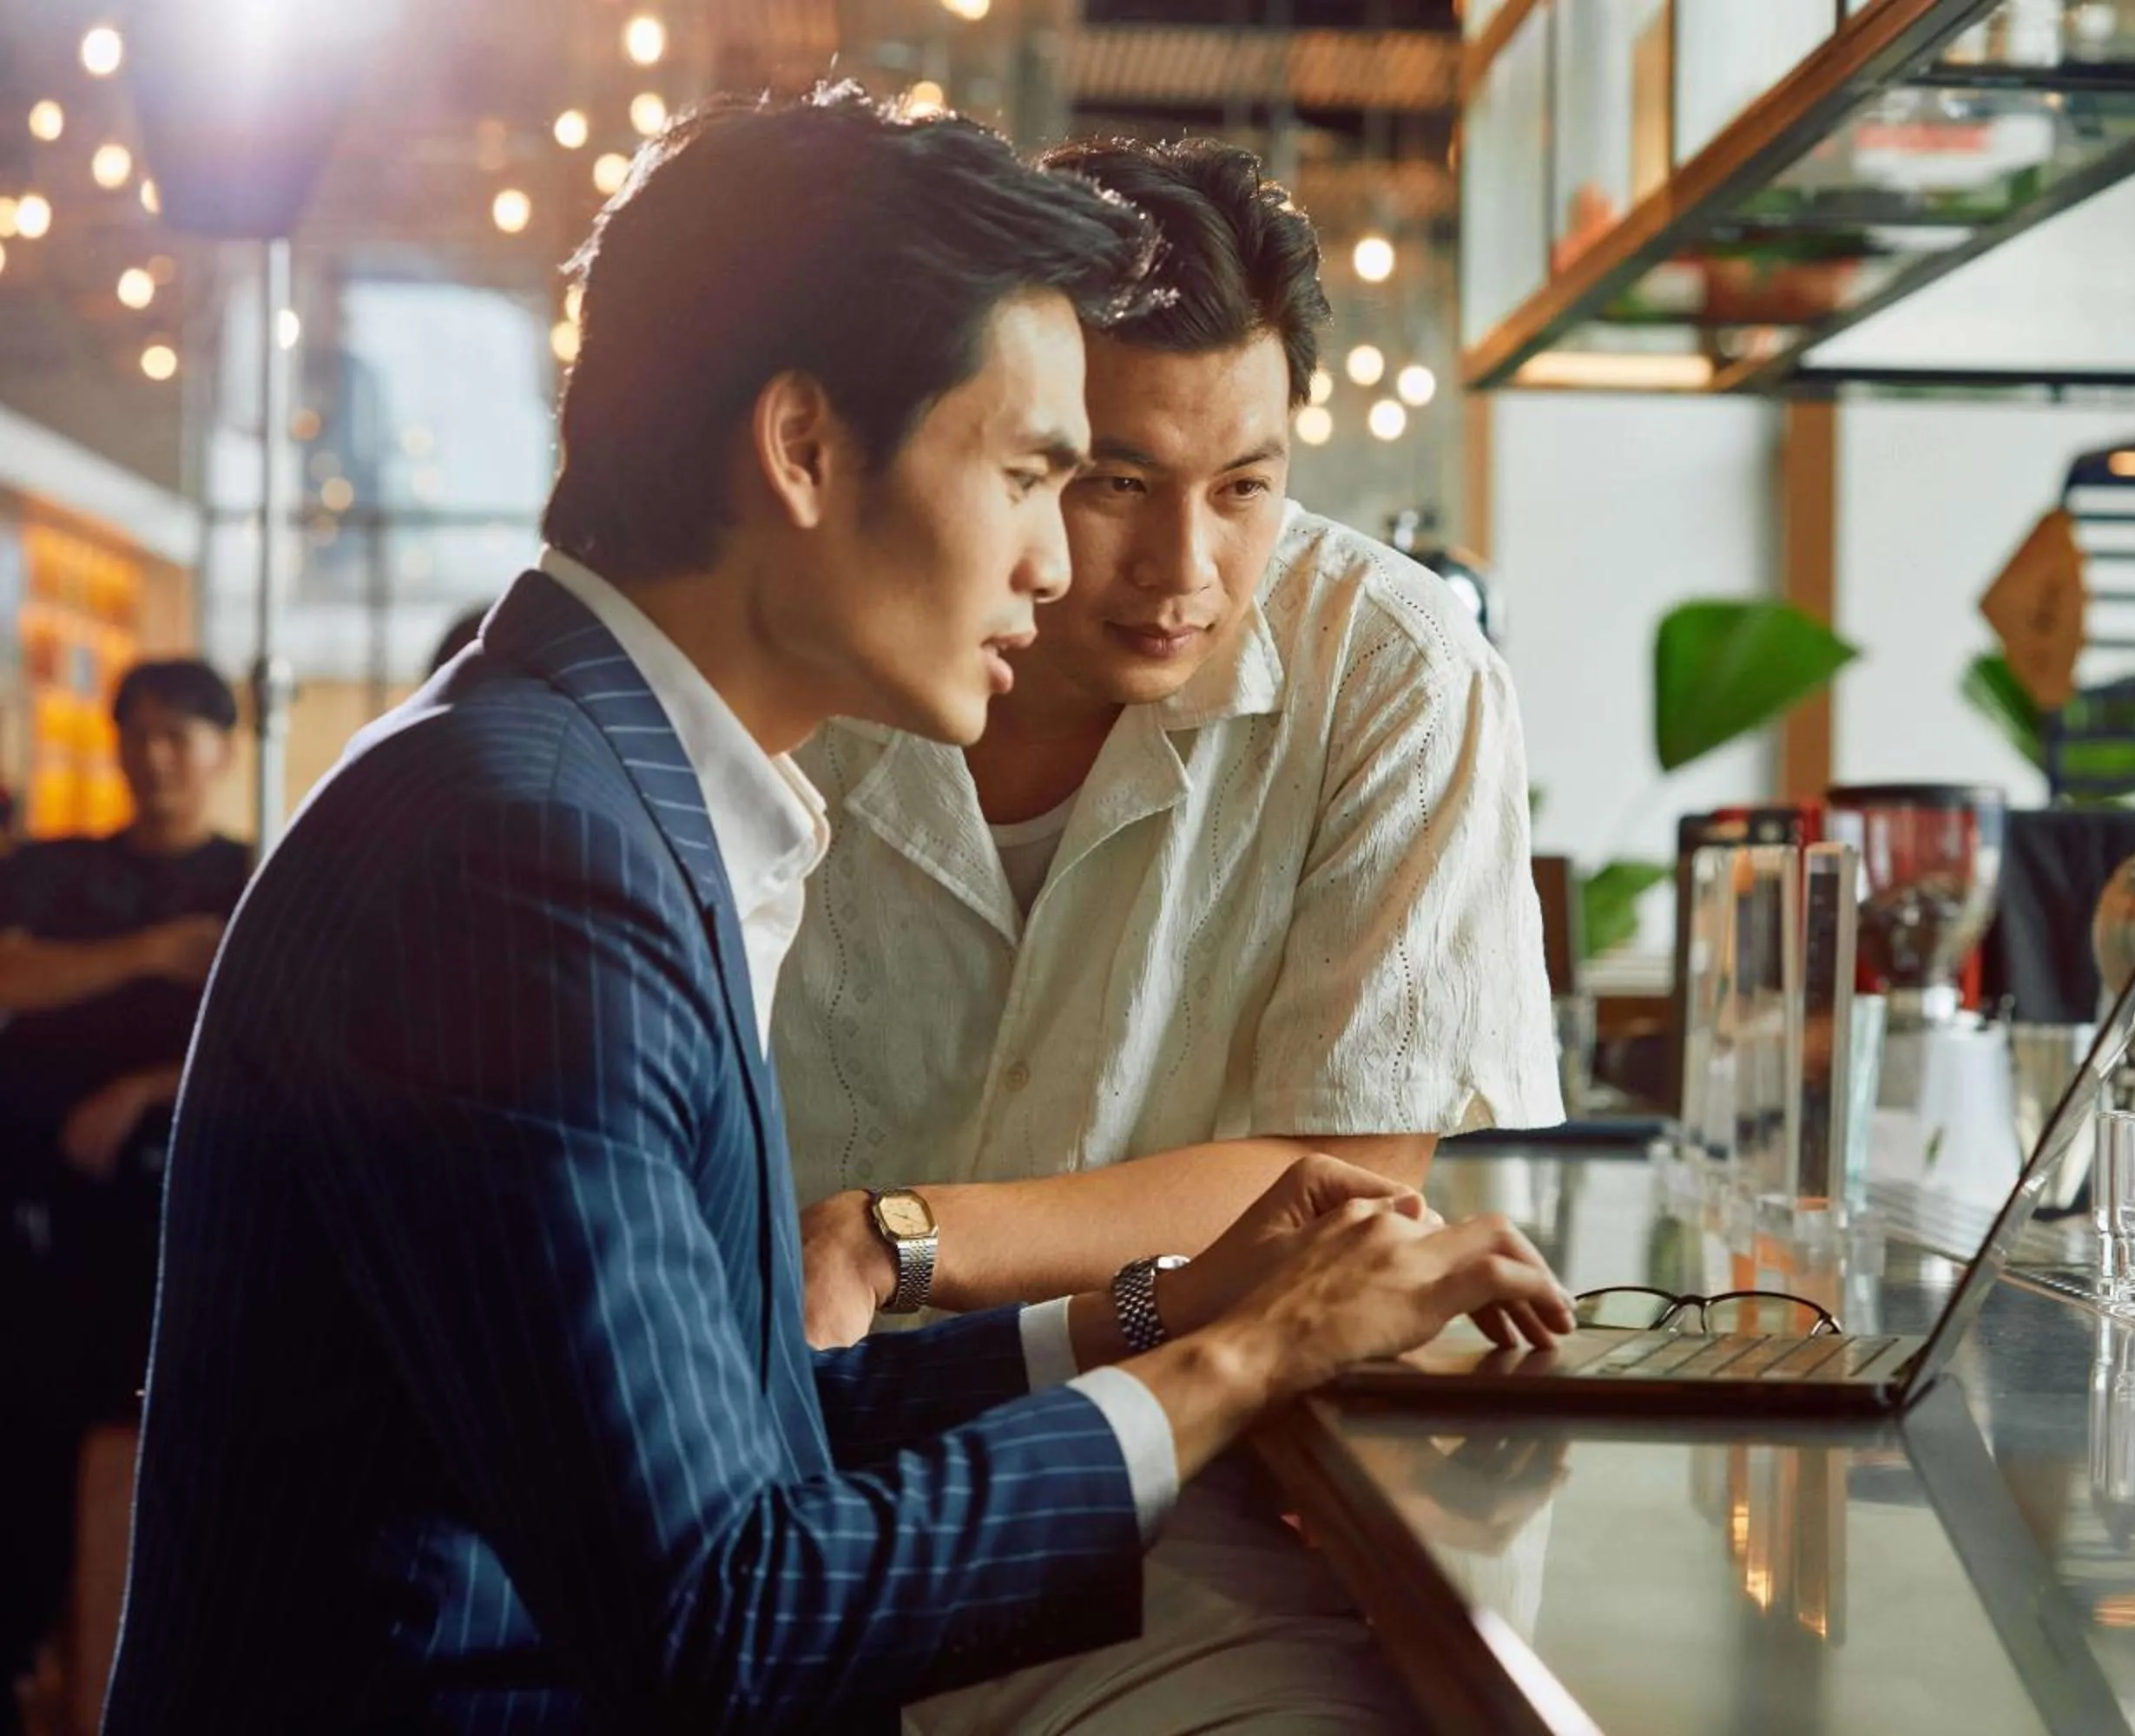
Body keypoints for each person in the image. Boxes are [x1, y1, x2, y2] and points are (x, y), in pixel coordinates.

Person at [102, 89, 1568, 1734]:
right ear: (802, 449)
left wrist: (1177, 1306)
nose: (1053, 564)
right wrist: (1235, 1365)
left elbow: (747, 1427)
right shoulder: (528, 862)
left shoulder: (580, 784)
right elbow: (728, 1621)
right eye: (1035, 473)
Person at [768, 136, 1562, 1733]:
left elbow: (1345, 1173)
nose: (1184, 572)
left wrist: (893, 1234)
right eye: (1115, 482)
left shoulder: (1393, 673)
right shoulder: (834, 644)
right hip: (796, 1465)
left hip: (1189, 1499)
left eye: (1247, 487)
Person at [0, 659, 248, 1731]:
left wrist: (147, 1089)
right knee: (23, 1452)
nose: (155, 758)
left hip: (171, 1222)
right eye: (138, 734)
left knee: (157, 1456)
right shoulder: (56, 869)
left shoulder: (257, 875)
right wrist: (150, 952)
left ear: (224, 751)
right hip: (30, 1211)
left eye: (178, 736)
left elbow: (280, 1043)